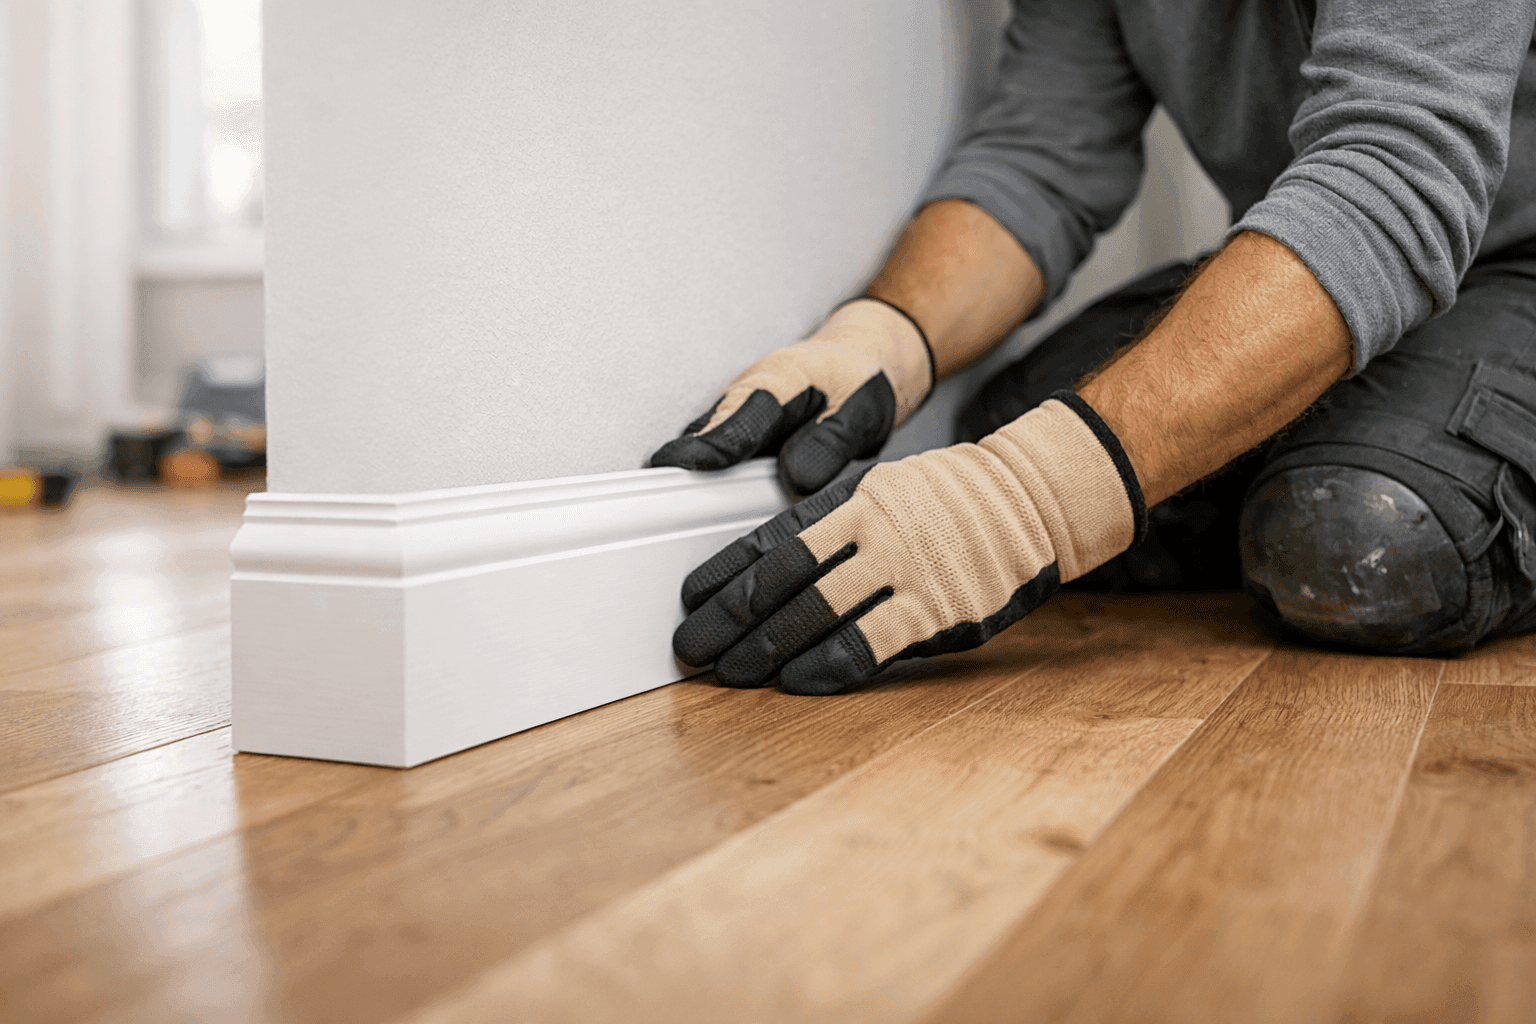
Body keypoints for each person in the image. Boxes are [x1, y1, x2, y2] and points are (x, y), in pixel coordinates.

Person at [650, 0, 1536, 695]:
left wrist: (1036, 498)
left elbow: (1397, 166)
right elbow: (1044, 152)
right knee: (1009, 419)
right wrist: (880, 336)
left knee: (1357, 531)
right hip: (1356, 263)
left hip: (1514, 264)